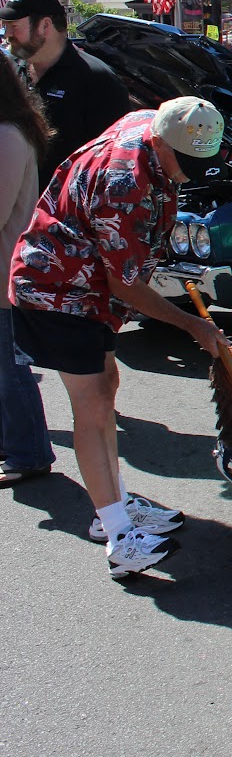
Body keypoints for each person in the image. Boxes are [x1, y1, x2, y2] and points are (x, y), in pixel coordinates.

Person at [10, 97, 228, 577]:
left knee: (106, 390)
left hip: (84, 287)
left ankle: (117, 503)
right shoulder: (123, 184)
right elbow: (125, 283)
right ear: (158, 140)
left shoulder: (147, 122)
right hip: (60, 290)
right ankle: (116, 534)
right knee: (91, 409)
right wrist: (193, 325)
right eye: (184, 162)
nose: (189, 174)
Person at [0, 0, 129, 184]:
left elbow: (113, 161)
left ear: (45, 25)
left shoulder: (97, 80)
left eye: (14, 26)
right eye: (4, 25)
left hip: (67, 210)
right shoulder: (11, 72)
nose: (6, 34)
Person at [0, 62, 54, 487]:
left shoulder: (7, 136)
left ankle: (29, 452)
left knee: (10, 369)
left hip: (3, 272)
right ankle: (15, 445)